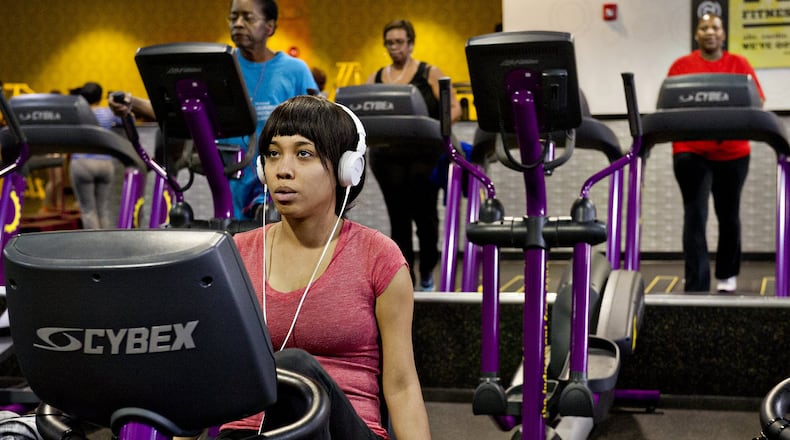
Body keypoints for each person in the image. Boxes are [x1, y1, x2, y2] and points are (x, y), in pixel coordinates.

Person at [215, 95, 430, 439]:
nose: (283, 169)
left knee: (294, 371)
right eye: (273, 154)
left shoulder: (379, 257)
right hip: (247, 432)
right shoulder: (235, 255)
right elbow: (205, 375)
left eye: (304, 154)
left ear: (347, 169)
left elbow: (402, 386)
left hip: (343, 431)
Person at [110, 0, 317, 220]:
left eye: (248, 18)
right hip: (230, 174)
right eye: (233, 17)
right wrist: (132, 104)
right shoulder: (218, 66)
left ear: (270, 26)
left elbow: (316, 121)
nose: (238, 24)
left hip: (276, 176)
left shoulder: (295, 70)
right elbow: (177, 110)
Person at [667, 13, 765, 293]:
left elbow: (757, 100)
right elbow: (670, 106)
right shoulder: (681, 66)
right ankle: (696, 282)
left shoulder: (739, 64)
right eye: (704, 27)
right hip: (691, 151)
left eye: (715, 27)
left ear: (723, 35)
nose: (710, 31)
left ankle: (727, 275)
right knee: (695, 214)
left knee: (729, 213)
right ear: (696, 35)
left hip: (733, 152)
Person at [365, 19, 462, 291]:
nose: (395, 47)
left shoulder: (429, 72)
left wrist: (437, 128)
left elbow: (453, 108)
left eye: (400, 42)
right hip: (387, 158)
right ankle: (405, 279)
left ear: (410, 44)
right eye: (390, 42)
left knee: (426, 218)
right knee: (399, 220)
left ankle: (428, 270)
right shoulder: (376, 77)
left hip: (425, 157)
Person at [69, 82, 121, 229]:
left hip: (83, 162)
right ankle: (107, 245)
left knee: (88, 210)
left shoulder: (77, 112)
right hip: (105, 163)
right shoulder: (108, 113)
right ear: (101, 96)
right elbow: (126, 120)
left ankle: (94, 248)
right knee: (103, 210)